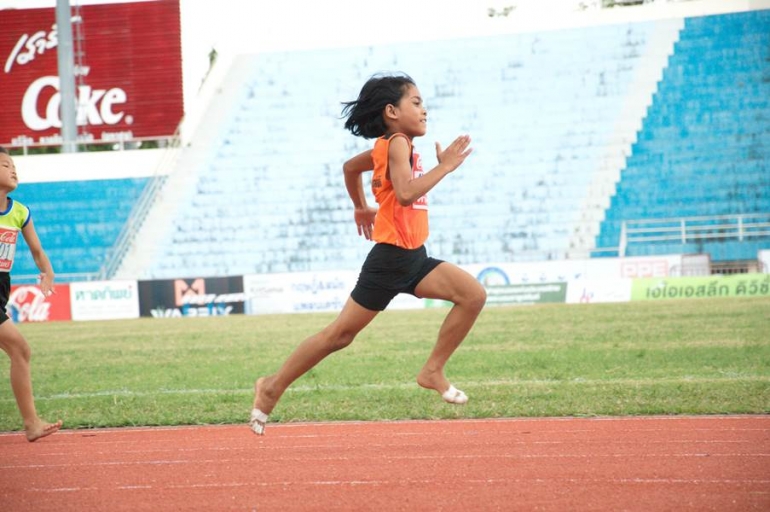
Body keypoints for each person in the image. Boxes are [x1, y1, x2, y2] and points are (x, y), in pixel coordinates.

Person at [250, 73, 486, 435]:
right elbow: (405, 194)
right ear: (392, 111)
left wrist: (361, 207)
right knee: (339, 336)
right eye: (416, 102)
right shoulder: (397, 143)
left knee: (472, 295)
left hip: (413, 257)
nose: (424, 110)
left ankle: (432, 370)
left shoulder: (391, 144)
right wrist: (445, 166)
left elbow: (350, 168)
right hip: (390, 260)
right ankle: (271, 386)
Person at [0, 146, 61, 441]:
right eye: (5, 165)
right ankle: (31, 423)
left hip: (1, 290)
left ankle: (31, 423)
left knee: (19, 350)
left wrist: (47, 272)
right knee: (20, 349)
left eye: (14, 166)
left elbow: (37, 250)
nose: (13, 170)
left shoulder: (20, 212)